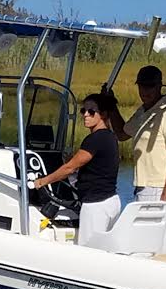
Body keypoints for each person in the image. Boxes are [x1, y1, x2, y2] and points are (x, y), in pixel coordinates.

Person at [33, 93, 120, 246]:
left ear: (103, 114)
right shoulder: (110, 137)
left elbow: (70, 168)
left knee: (88, 250)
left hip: (95, 205)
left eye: (91, 111)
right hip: (111, 201)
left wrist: (42, 181)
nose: (86, 115)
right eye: (83, 111)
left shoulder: (94, 139)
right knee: (103, 249)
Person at [109, 65, 166, 217]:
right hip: (144, 186)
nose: (145, 91)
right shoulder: (143, 111)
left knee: (149, 235)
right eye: (142, 86)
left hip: (159, 188)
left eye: (150, 86)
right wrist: (111, 105)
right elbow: (122, 134)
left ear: (160, 86)